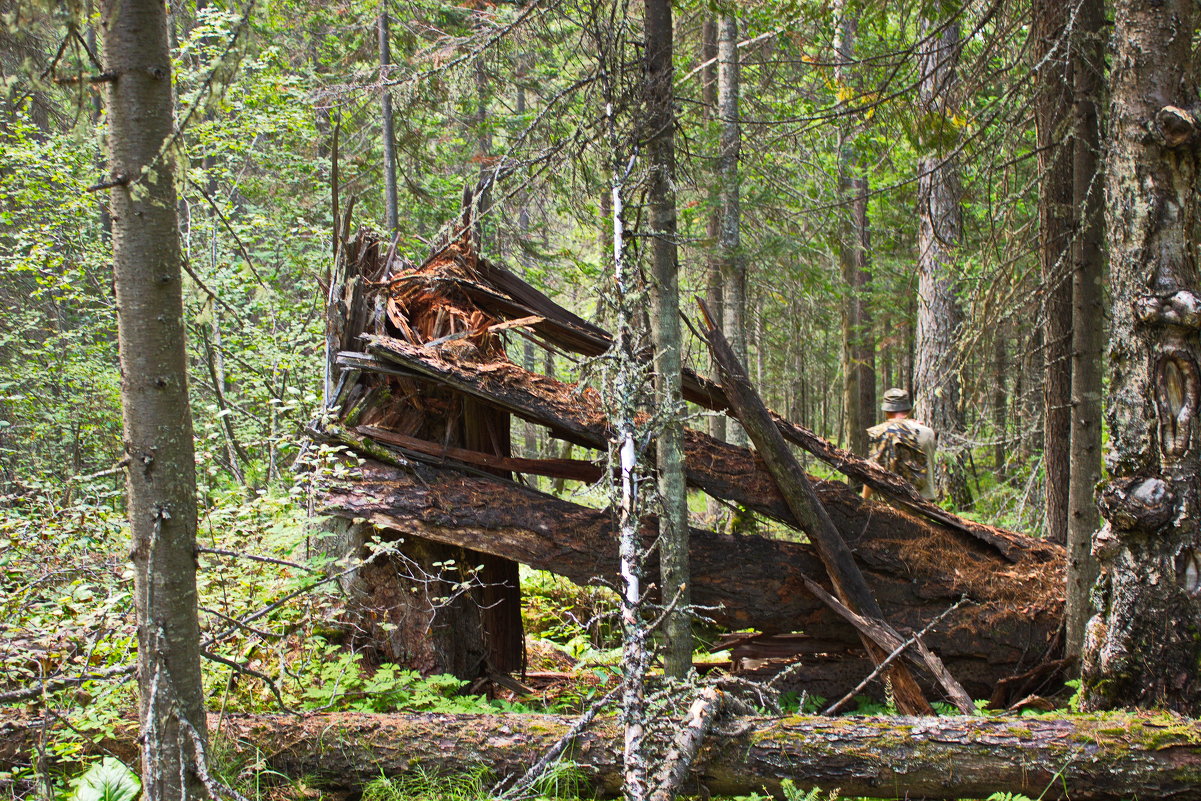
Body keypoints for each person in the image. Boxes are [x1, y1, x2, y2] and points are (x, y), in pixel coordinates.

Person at [862, 388, 937, 501]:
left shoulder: (882, 432)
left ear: (886, 411)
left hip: (896, 504)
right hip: (926, 503)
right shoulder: (928, 432)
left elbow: (873, 470)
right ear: (907, 408)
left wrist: (864, 500)